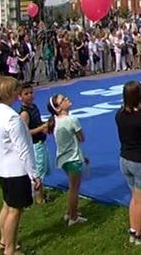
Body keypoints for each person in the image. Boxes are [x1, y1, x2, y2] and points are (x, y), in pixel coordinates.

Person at [0, 76, 41, 255]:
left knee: (7, 205)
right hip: (15, 170)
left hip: (1, 167)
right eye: (16, 91)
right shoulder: (12, 118)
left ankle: (4, 240)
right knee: (15, 210)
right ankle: (10, 248)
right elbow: (23, 149)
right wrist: (34, 174)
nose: (18, 94)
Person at [115, 81, 141, 245]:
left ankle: (134, 229)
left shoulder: (119, 115)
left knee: (134, 197)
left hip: (125, 159)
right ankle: (139, 234)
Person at [47, 94, 88, 226]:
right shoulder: (71, 120)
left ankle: (71, 212)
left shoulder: (56, 120)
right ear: (58, 108)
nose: (67, 99)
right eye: (63, 100)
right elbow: (81, 138)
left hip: (64, 158)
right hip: (73, 159)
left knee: (72, 187)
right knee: (74, 189)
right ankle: (73, 217)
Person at [18, 83, 50, 204]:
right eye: (26, 94)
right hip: (34, 144)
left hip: (41, 141)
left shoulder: (34, 107)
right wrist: (41, 128)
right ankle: (39, 198)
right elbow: (26, 132)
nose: (30, 96)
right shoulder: (24, 113)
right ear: (20, 97)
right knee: (39, 171)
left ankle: (40, 193)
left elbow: (37, 122)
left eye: (31, 93)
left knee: (43, 168)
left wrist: (45, 125)